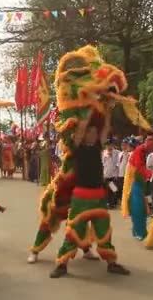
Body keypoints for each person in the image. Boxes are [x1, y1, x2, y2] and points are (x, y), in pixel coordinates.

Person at [50, 113, 130, 278]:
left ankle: (112, 263)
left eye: (95, 133)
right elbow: (79, 132)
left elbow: (105, 129)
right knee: (73, 231)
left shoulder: (97, 147)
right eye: (90, 132)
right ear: (84, 134)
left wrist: (108, 109)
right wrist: (86, 114)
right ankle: (62, 264)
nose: (93, 135)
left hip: (99, 197)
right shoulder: (77, 147)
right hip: (81, 198)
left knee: (104, 231)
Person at [122, 134, 153, 240]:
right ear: (148, 143)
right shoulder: (139, 151)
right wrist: (151, 174)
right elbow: (139, 167)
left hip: (139, 180)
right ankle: (139, 232)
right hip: (134, 180)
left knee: (140, 206)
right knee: (138, 207)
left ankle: (137, 230)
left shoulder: (144, 151)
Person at [102, 140, 120, 208]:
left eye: (110, 145)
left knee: (114, 189)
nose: (109, 146)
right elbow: (103, 164)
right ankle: (109, 203)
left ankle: (112, 203)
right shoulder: (104, 152)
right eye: (107, 145)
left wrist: (111, 156)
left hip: (114, 175)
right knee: (108, 190)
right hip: (106, 174)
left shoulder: (117, 152)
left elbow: (117, 163)